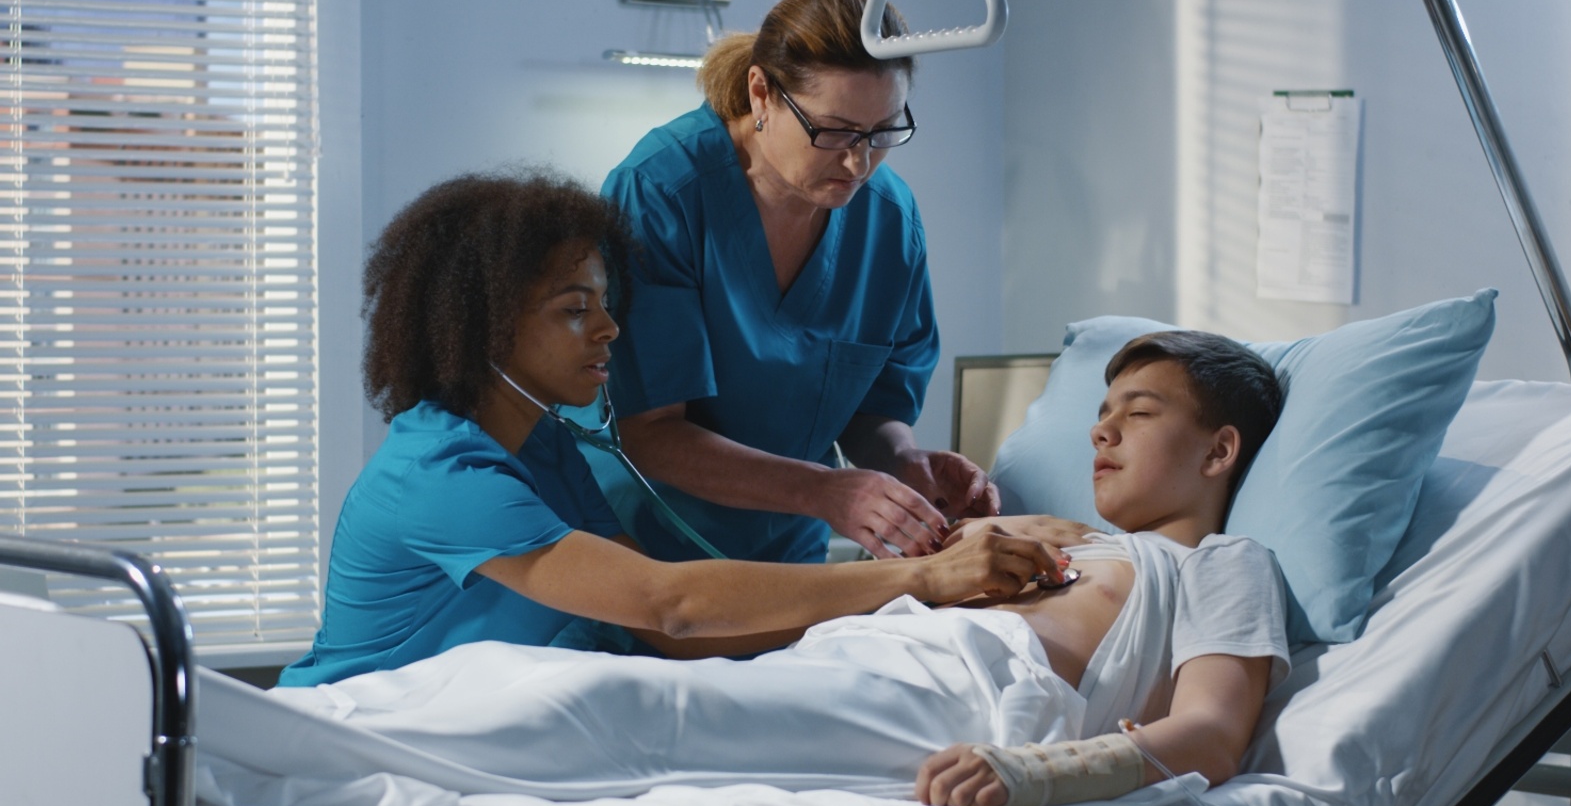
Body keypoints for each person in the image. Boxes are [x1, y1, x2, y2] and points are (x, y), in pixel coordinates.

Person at [256, 327, 1289, 806]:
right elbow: (888, 580)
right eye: (1099, 415)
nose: (1102, 434)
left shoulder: (1218, 564)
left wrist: (1033, 772)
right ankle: (233, 747)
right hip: (847, 653)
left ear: (1219, 452)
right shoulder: (1043, 520)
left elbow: (1210, 735)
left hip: (950, 697)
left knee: (604, 708)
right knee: (533, 686)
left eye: (1139, 416)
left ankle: (236, 769)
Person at [276, 170, 1064, 688]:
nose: (611, 329)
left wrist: (886, 625)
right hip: (361, 734)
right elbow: (668, 603)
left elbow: (665, 634)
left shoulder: (546, 445)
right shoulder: (440, 473)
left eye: (604, 303)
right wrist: (917, 580)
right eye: (574, 310)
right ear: (486, 331)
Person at [600, 0, 1005, 565]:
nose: (858, 161)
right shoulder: (662, 192)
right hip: (647, 545)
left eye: (883, 131)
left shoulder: (888, 219)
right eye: (834, 130)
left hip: (791, 556)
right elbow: (649, 430)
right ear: (761, 92)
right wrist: (825, 490)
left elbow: (873, 409)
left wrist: (901, 465)